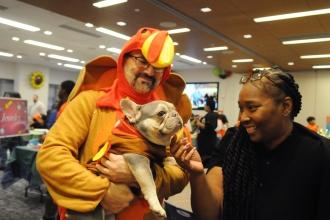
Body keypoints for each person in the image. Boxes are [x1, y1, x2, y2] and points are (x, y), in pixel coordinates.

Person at [36, 27, 192, 220]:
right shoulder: (90, 102)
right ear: (124, 59)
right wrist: (102, 191)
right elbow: (51, 156)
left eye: (158, 67)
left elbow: (182, 172)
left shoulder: (168, 113)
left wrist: (140, 175)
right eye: (142, 61)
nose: (150, 72)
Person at [172, 68, 330, 220]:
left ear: (286, 106)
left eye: (252, 108)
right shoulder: (233, 142)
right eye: (241, 108)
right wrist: (197, 175)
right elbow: (210, 214)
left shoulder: (319, 153)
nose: (243, 117)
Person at [42, 80, 75, 220]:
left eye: (60, 88)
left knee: (53, 192)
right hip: (61, 152)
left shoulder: (68, 106)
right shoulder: (66, 105)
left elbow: (62, 132)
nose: (58, 91)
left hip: (62, 155)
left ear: (65, 90)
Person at [194, 96, 218, 168]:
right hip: (206, 140)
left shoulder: (211, 115)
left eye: (205, 105)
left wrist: (198, 123)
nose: (204, 106)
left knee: (206, 158)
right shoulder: (211, 115)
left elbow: (209, 127)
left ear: (208, 106)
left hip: (207, 141)